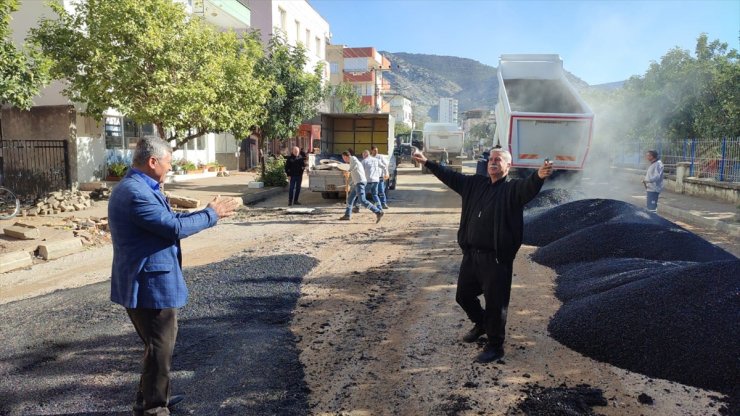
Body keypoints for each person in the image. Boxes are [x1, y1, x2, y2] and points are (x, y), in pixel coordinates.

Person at [109, 137, 238, 415]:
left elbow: (169, 220)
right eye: (168, 162)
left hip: (143, 282)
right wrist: (211, 215)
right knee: (159, 349)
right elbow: (172, 228)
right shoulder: (136, 192)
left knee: (155, 348)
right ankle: (155, 408)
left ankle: (150, 398)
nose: (170, 167)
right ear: (152, 161)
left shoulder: (139, 187)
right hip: (149, 286)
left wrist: (203, 213)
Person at [411, 148, 553, 363]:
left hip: (496, 259)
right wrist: (427, 163)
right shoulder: (474, 184)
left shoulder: (512, 190)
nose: (493, 162)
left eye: (499, 160)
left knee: (496, 303)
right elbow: (450, 176)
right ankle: (482, 324)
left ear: (508, 166)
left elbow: (528, 187)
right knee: (463, 296)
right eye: (491, 160)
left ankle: (495, 346)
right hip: (471, 255)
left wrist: (539, 176)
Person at [339, 151, 384, 223]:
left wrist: (348, 171)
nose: (343, 159)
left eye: (343, 158)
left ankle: (378, 212)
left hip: (360, 183)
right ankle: (347, 215)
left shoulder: (353, 159)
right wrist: (349, 185)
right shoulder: (352, 163)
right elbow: (355, 175)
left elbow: (352, 168)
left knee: (362, 200)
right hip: (357, 183)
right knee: (350, 199)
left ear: (345, 156)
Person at [371, 146, 390, 210]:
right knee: (374, 192)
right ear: (371, 151)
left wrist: (386, 173)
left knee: (381, 191)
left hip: (380, 177)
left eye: (377, 150)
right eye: (374, 150)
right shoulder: (370, 158)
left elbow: (385, 165)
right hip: (373, 178)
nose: (376, 152)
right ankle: (377, 204)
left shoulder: (380, 157)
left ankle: (383, 203)